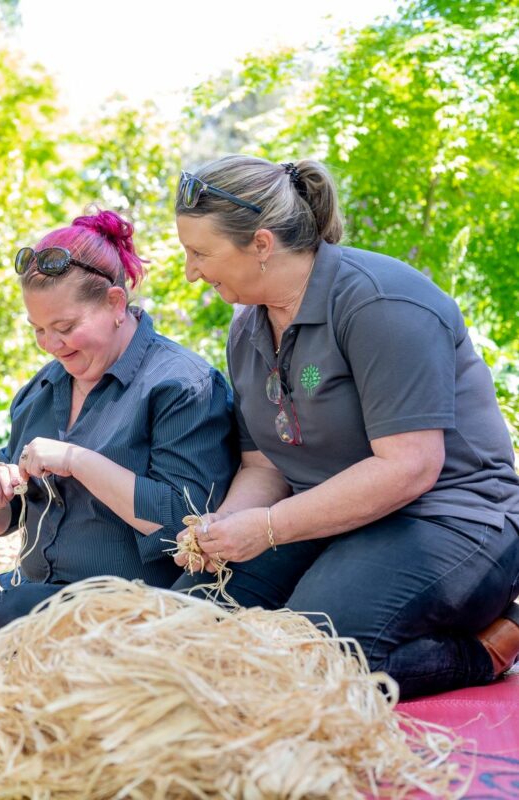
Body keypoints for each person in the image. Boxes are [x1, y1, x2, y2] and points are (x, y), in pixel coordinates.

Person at [171, 155, 519, 698]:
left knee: (306, 658)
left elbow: (410, 467)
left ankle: (484, 649)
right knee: (183, 633)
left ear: (261, 244)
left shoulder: (381, 300)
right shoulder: (245, 329)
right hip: (325, 520)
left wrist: (265, 528)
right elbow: (263, 464)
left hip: (451, 520)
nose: (191, 271)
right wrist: (224, 528)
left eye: (200, 253)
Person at [0, 208, 238, 631]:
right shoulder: (44, 389)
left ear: (115, 303)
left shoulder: (182, 385)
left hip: (132, 607)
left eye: (65, 326)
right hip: (36, 588)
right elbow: (3, 521)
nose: (50, 345)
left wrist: (77, 460)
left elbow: (187, 527)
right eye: (38, 329)